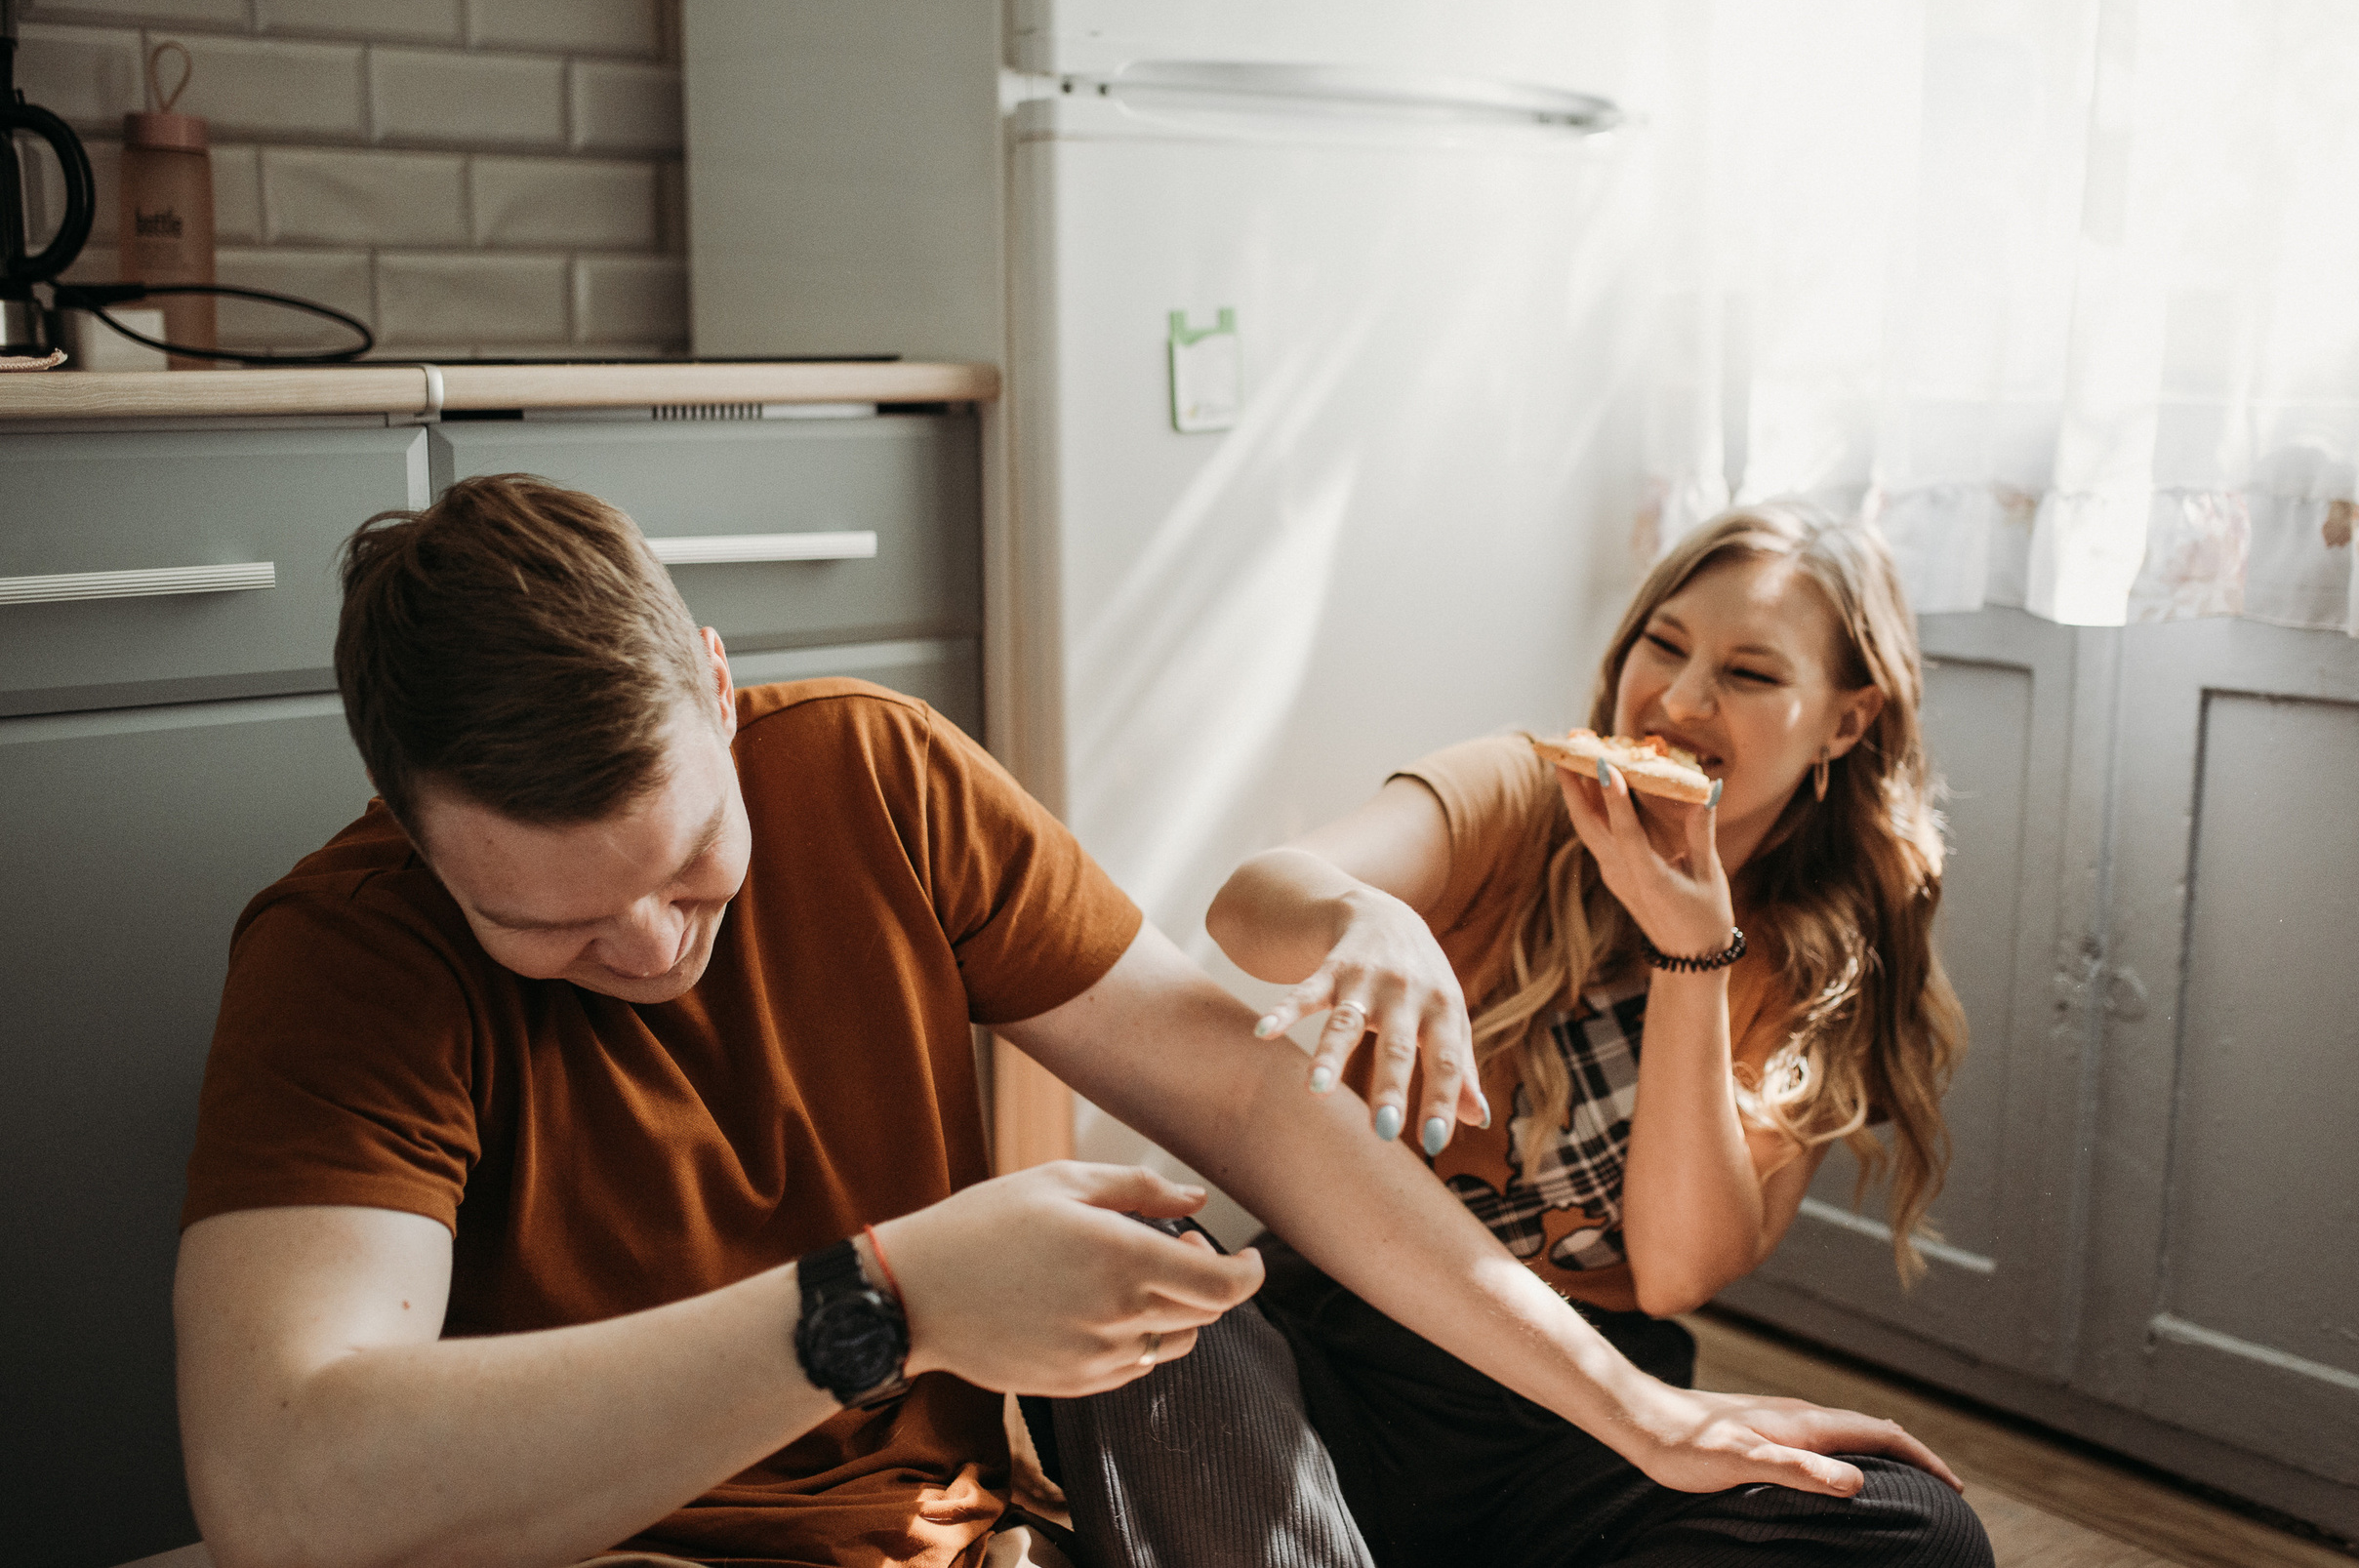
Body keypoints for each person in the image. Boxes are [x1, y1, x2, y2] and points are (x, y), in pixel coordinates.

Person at [173, 477, 1961, 1568]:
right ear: (415, 836)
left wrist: (1638, 1419)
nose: (650, 944)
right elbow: (285, 1491)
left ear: (720, 689)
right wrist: (882, 1300)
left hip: (966, 1536)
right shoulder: (346, 957)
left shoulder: (869, 769)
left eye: (697, 864)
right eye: (545, 920)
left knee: (1895, 1531)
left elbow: (1247, 1095)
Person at [1193, 503, 1987, 1568]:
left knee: (1920, 1533)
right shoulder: (1524, 790)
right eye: (1664, 644)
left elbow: (1670, 1273)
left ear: (1844, 723)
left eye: (1750, 674)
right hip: (1336, 1348)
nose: (1680, 697)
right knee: (1129, 1274)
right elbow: (1248, 903)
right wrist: (1357, 914)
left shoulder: (1823, 958)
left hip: (1580, 1397)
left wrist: (1689, 954)